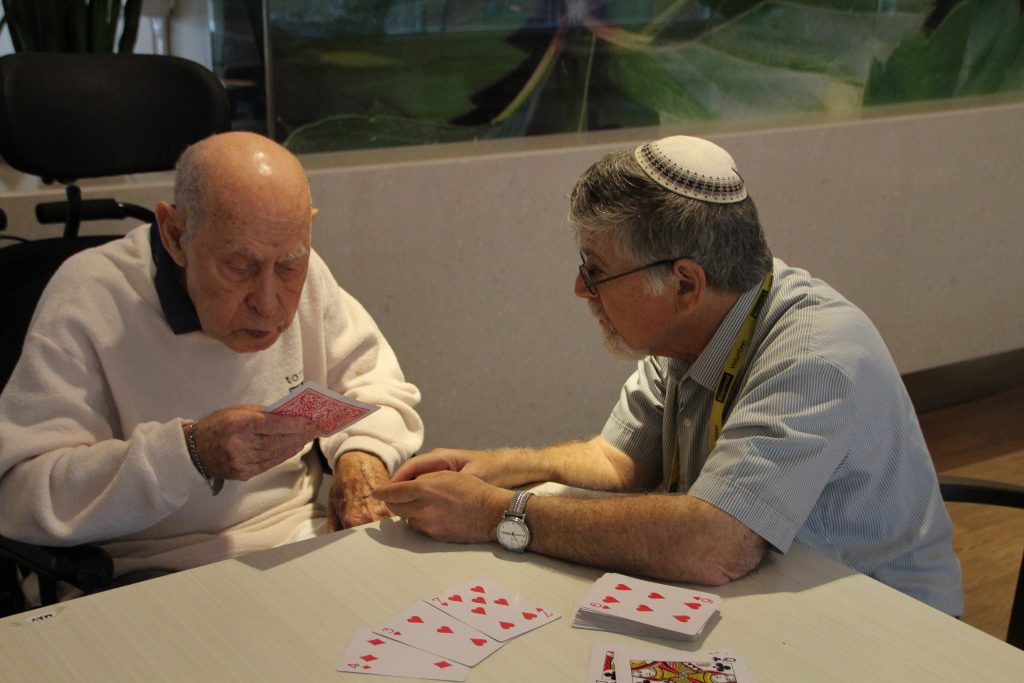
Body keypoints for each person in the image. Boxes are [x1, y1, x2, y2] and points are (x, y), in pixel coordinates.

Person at [373, 135, 963, 616]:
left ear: (684, 284)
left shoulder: (819, 352)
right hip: (769, 601)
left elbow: (712, 546)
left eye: (596, 269)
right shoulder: (695, 326)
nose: (582, 289)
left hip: (885, 630)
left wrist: (494, 513)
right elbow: (619, 460)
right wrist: (505, 469)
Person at [0, 132, 422, 580]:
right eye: (239, 268)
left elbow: (377, 386)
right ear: (176, 235)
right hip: (146, 573)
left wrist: (363, 455)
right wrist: (187, 455)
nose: (269, 303)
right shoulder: (90, 297)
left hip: (300, 541)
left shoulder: (306, 272)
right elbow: (20, 495)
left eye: (288, 266)